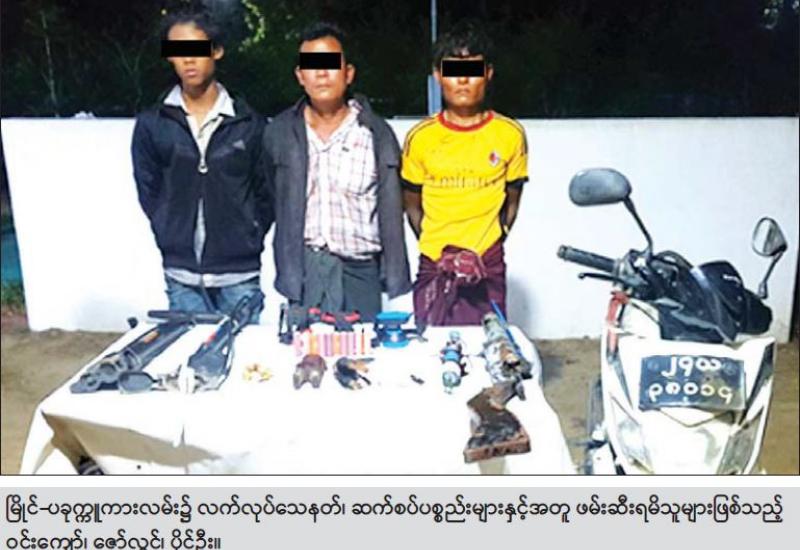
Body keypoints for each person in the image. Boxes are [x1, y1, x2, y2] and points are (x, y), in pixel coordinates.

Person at [262, 22, 411, 320]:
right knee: (305, 349)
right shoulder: (279, 132)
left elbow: (394, 204)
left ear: (348, 73)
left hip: (361, 272)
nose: (321, 73)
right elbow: (268, 194)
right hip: (305, 274)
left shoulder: (376, 134)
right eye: (311, 65)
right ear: (300, 76)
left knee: (362, 349)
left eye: (330, 63)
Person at [131, 8, 270, 322]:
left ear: (216, 51)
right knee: (189, 352)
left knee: (243, 352)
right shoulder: (153, 123)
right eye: (178, 50)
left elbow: (266, 193)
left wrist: (249, 234)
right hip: (181, 274)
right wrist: (168, 229)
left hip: (239, 275)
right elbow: (149, 190)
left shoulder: (249, 124)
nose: (188, 59)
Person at [401, 23, 528, 326]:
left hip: (488, 262)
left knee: (492, 344)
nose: (462, 80)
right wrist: (439, 249)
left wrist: (490, 243)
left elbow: (512, 200)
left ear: (488, 73)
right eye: (452, 71)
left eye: (472, 70)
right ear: (437, 75)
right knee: (432, 347)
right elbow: (412, 205)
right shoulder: (420, 138)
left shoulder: (510, 134)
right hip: (434, 264)